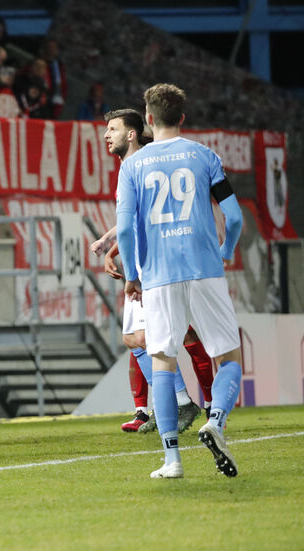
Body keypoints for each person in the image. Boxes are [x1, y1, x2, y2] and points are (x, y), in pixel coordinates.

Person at [116, 83, 244, 479]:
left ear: (148, 120)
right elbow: (235, 217)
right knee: (228, 357)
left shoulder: (132, 166)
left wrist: (133, 276)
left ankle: (172, 460)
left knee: (163, 360)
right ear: (183, 118)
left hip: (158, 275)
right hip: (205, 268)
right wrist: (226, 251)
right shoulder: (205, 156)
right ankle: (215, 421)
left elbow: (124, 230)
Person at [90, 109, 212, 433]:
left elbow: (145, 218)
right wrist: (108, 242)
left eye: (112, 129)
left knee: (152, 337)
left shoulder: (139, 165)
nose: (106, 135)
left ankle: (183, 403)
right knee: (139, 338)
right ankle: (172, 404)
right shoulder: (135, 165)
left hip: (152, 264)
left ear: (131, 133)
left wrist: (131, 269)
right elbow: (133, 219)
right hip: (149, 261)